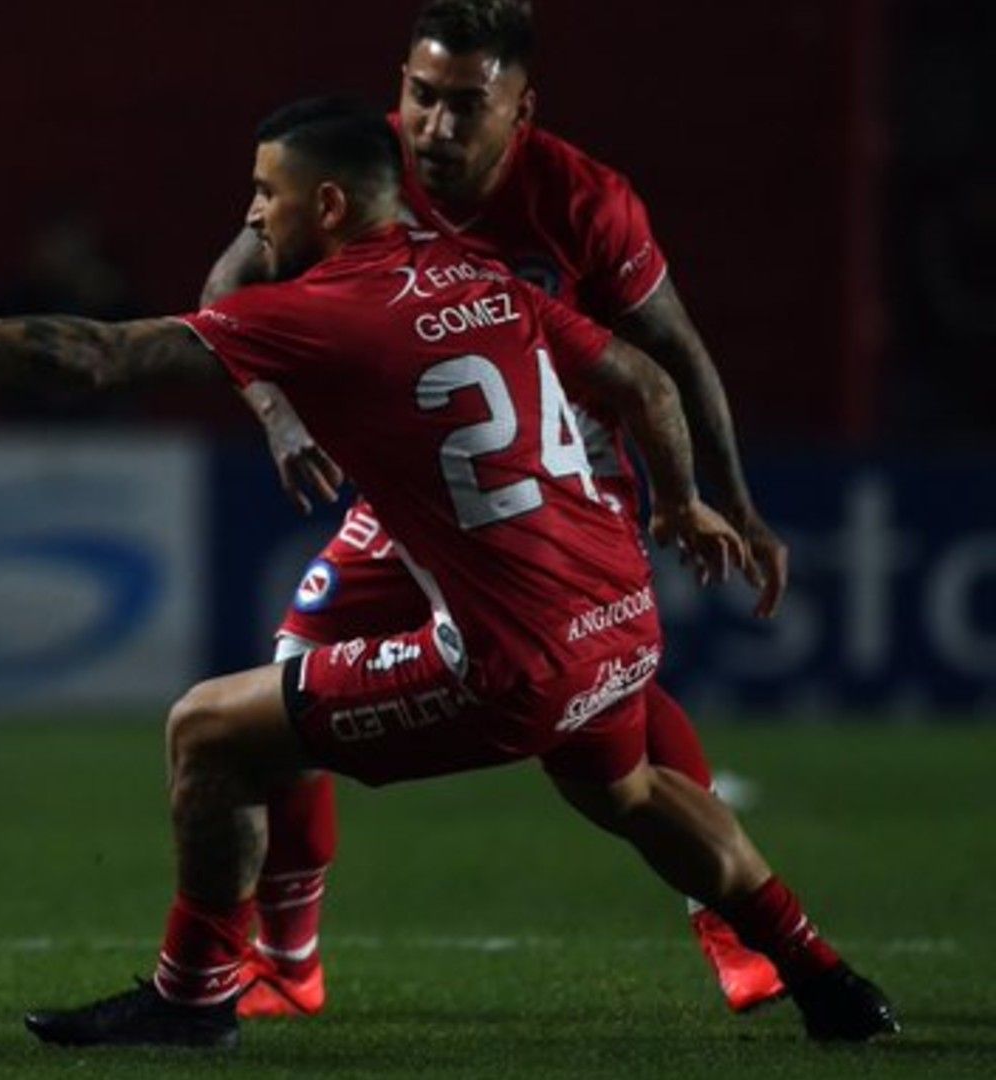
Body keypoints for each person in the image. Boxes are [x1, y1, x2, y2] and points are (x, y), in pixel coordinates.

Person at [0, 97, 896, 1049]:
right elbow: (646, 383)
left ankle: (194, 999)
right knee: (632, 791)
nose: (251, 214)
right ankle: (824, 976)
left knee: (207, 732)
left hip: (515, 661)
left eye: (265, 193)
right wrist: (682, 503)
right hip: (622, 614)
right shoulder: (479, 275)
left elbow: (98, 356)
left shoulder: (321, 312)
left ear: (326, 205)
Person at [199, 0, 790, 1017]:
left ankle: (737, 931)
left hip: (559, 480)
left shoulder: (583, 201)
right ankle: (290, 965)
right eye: (421, 95)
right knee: (294, 670)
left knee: (605, 701)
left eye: (468, 104)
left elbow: (673, 355)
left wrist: (720, 500)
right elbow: (229, 282)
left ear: (522, 108)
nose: (435, 126)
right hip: (416, 487)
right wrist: (277, 415)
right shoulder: (363, 164)